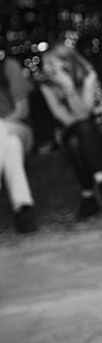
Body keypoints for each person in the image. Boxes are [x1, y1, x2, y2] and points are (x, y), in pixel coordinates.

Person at [37, 44, 102, 220]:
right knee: (78, 135)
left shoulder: (88, 75)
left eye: (51, 64)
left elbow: (83, 114)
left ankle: (88, 197)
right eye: (45, 65)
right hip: (72, 131)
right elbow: (66, 119)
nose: (46, 69)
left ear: (66, 64)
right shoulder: (47, 86)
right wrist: (97, 110)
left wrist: (69, 87)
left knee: (79, 137)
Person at [1, 49, 37, 233]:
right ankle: (23, 209)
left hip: (19, 128)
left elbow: (22, 111)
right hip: (8, 140)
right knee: (11, 146)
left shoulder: (9, 66)